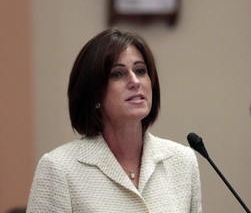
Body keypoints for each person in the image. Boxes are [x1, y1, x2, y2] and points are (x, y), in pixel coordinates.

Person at [27, 27, 202, 212]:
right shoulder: (59, 168)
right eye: (117, 74)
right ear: (93, 93)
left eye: (141, 70)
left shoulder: (182, 162)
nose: (135, 81)